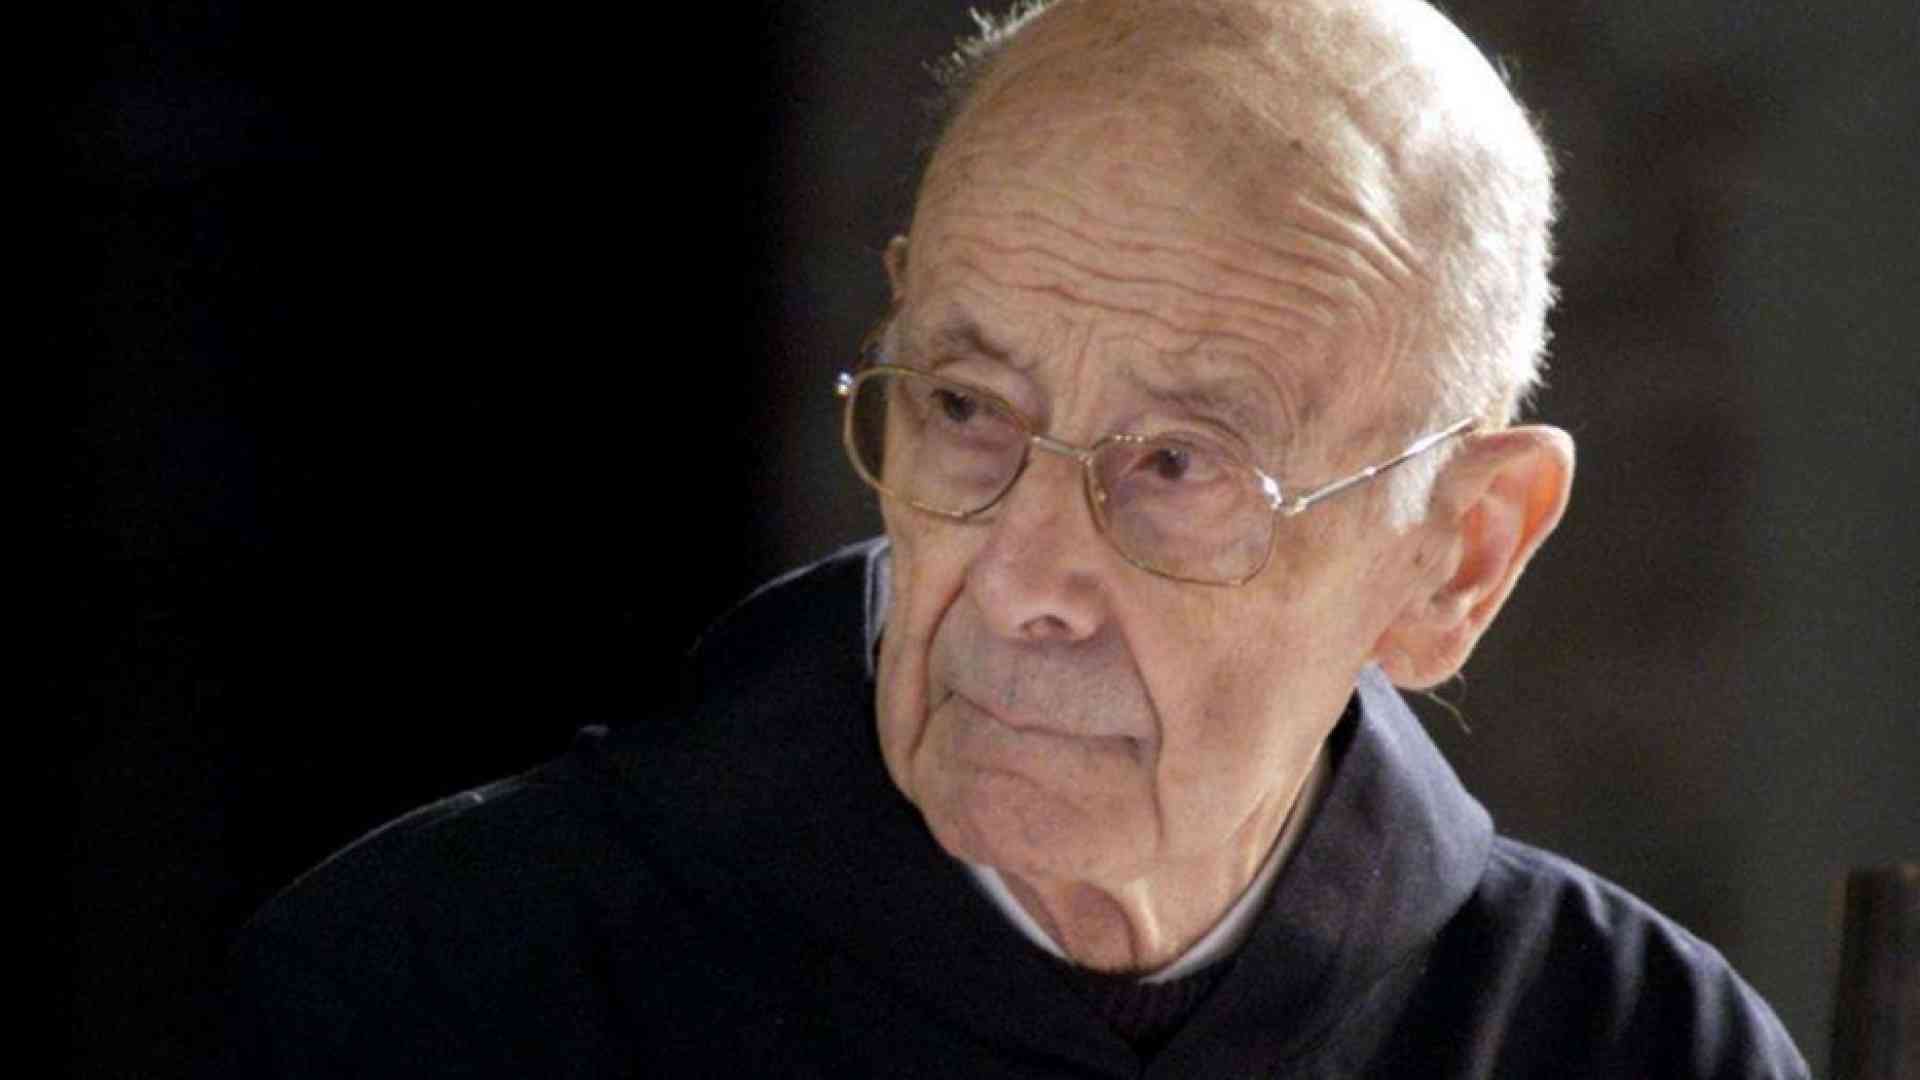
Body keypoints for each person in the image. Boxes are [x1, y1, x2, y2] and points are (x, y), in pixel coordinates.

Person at [226, 0, 1810, 1074]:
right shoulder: (436, 990)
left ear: (1458, 554)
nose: (1024, 580)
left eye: (1177, 463)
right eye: (968, 407)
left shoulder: (1639, 1044)